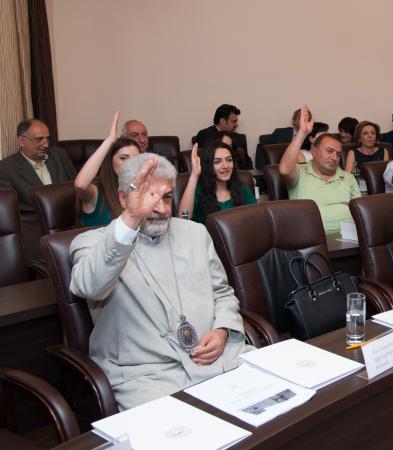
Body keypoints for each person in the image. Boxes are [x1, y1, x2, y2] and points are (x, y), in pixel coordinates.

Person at [69, 153, 251, 410]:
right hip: (149, 378)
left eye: (166, 197)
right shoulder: (93, 243)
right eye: (148, 196)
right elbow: (89, 286)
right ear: (123, 198)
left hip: (221, 360)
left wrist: (222, 331)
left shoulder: (195, 233)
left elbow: (222, 292)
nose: (162, 209)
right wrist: (132, 218)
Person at [278, 104, 360, 233]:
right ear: (314, 152)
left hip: (349, 238)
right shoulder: (300, 172)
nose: (334, 157)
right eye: (329, 151)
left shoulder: (348, 178)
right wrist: (302, 133)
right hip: (311, 238)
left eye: (338, 154)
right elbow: (284, 170)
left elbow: (360, 212)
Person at [0, 118, 77, 223]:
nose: (45, 144)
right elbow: (9, 213)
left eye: (47, 139)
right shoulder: (6, 168)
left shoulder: (60, 155)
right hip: (34, 225)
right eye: (39, 139)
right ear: (22, 141)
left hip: (69, 220)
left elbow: (76, 186)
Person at [74, 112, 141, 226]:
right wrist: (109, 140)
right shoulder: (96, 193)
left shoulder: (139, 190)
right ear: (110, 161)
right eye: (123, 158)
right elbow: (80, 185)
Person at [178, 141, 256, 226]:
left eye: (229, 160)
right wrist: (194, 175)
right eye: (217, 162)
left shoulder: (242, 188)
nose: (225, 166)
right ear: (207, 165)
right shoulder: (198, 190)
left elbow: (256, 217)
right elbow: (183, 218)